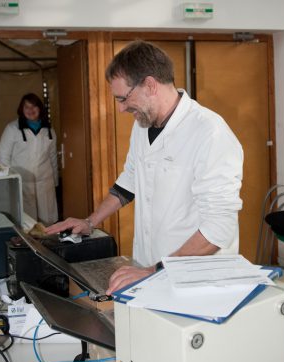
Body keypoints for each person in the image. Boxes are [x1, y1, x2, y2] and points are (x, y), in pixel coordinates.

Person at [45, 40, 243, 294]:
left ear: (150, 85)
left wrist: (156, 270)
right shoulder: (142, 126)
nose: (121, 108)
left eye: (124, 98)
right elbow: (129, 182)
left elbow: (218, 229)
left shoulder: (210, 133)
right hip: (150, 268)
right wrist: (90, 222)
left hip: (195, 280)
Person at [0, 93, 58, 225]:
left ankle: (47, 243)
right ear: (21, 109)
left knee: (47, 221)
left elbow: (53, 156)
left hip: (45, 182)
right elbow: (3, 157)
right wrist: (8, 181)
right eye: (26, 107)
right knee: (27, 222)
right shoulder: (12, 129)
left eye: (34, 107)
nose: (30, 110)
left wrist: (55, 180)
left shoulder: (49, 130)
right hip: (21, 182)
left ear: (40, 109)